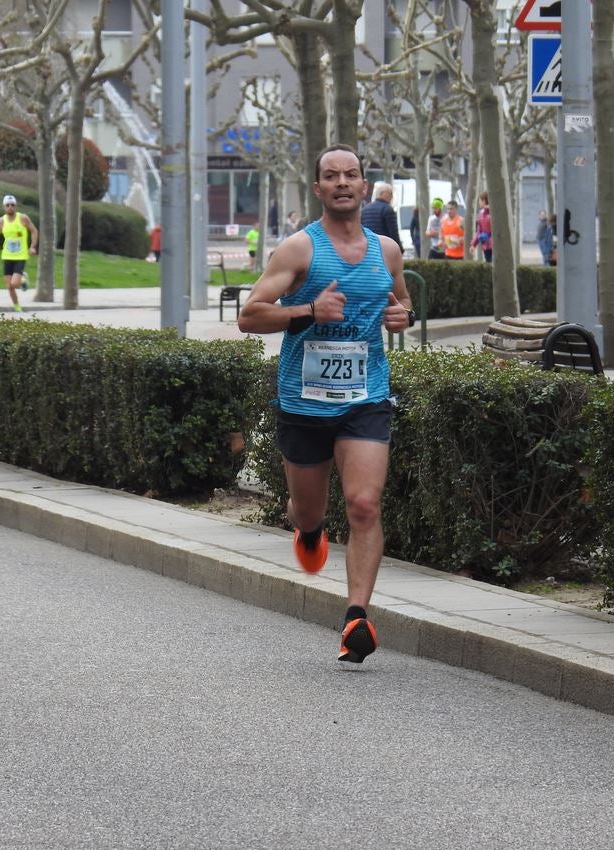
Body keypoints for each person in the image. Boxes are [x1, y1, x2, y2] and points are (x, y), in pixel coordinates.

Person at [237, 144, 414, 665]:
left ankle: (355, 617)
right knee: (310, 508)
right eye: (331, 176)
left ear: (364, 186)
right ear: (318, 189)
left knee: (363, 504)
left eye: (351, 175)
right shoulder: (299, 249)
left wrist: (400, 316)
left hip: (366, 399)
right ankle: (308, 529)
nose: (342, 183)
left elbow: (399, 302)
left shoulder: (386, 251)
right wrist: (311, 310)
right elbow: (250, 315)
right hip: (303, 402)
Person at [0, 194, 38, 312]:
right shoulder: (1, 221)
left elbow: (34, 231)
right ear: (3, 207)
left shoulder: (23, 218)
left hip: (20, 256)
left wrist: (32, 246)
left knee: (15, 283)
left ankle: (22, 278)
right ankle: (17, 306)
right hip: (7, 256)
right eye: (7, 205)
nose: (10, 207)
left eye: (12, 205)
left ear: (16, 206)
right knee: (9, 286)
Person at [360, 181, 402, 251]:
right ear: (384, 193)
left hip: (367, 248)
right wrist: (400, 249)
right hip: (383, 249)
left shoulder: (364, 210)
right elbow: (393, 233)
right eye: (391, 193)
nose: (392, 197)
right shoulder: (388, 209)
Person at [471, 191, 493, 263]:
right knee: (488, 263)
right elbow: (479, 231)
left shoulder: (494, 212)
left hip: (494, 246)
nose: (479, 203)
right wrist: (473, 245)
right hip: (485, 245)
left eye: (480, 200)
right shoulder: (481, 214)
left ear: (484, 200)